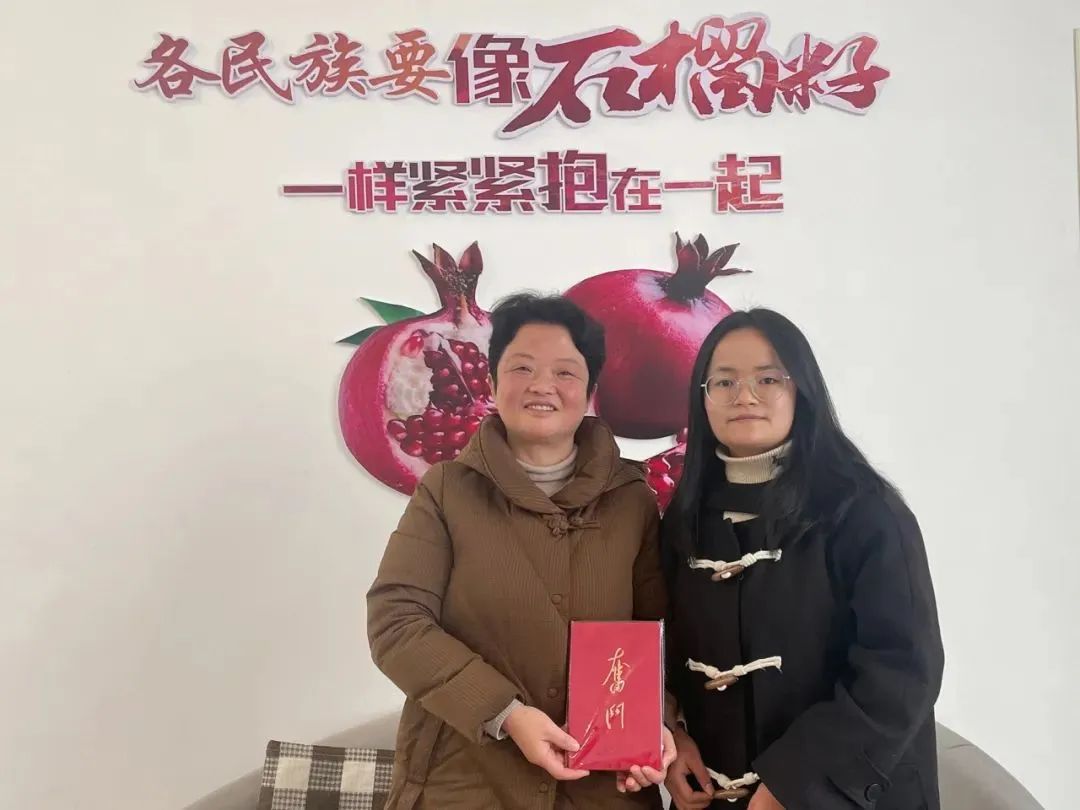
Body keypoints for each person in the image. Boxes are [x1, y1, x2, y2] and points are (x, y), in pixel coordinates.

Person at [367, 292, 676, 809]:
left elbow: (657, 632)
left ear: (590, 391)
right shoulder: (446, 490)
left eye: (565, 372)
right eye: (522, 367)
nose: (541, 385)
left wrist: (656, 723)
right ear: (491, 383)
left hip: (599, 788)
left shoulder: (632, 500)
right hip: (464, 783)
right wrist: (504, 713)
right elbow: (396, 622)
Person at [660, 309, 944, 810]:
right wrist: (673, 736)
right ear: (702, 399)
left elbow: (903, 670)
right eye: (723, 381)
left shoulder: (865, 512)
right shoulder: (686, 518)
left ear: (802, 390)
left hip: (842, 795)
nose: (744, 396)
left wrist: (797, 784)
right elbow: (668, 651)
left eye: (768, 378)